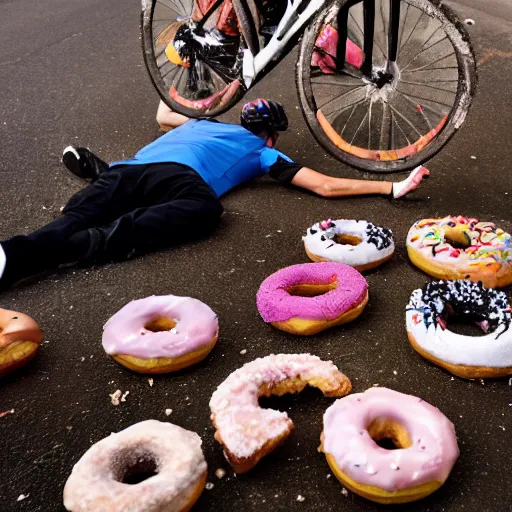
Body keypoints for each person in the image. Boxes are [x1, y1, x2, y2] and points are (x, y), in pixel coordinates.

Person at [0, 98, 429, 291]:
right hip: (178, 180)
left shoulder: (197, 125)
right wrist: (392, 186)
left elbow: (163, 110)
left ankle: (16, 253)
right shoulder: (262, 153)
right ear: (273, 135)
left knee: (78, 213)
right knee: (205, 208)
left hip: (126, 171)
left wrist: (211, 99)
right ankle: (91, 242)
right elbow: (325, 186)